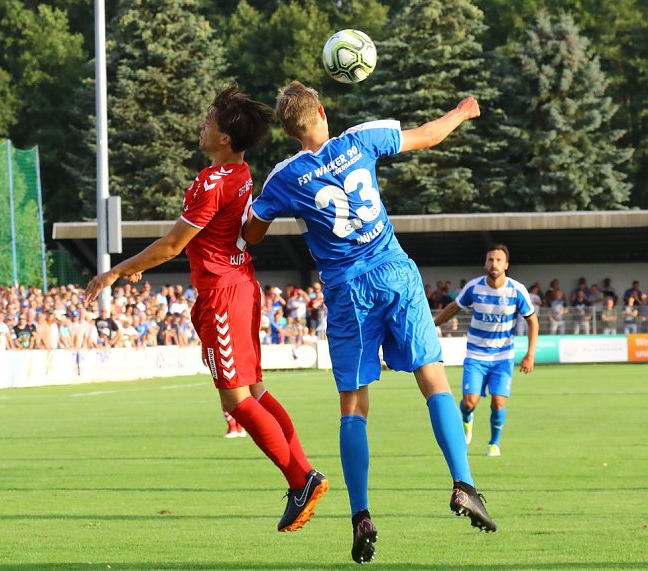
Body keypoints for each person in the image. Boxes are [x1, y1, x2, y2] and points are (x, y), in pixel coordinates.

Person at [242, 81, 495, 563]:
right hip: (395, 272)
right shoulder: (361, 138)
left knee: (353, 407)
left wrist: (275, 208)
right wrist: (462, 111)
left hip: (346, 292)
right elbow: (428, 135)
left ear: (290, 128)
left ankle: (361, 515)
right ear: (321, 110)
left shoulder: (284, 177)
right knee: (434, 380)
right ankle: (464, 484)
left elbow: (252, 233)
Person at [85, 85, 327, 533]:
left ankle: (301, 479)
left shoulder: (211, 182)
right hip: (241, 286)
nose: (203, 124)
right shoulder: (239, 174)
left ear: (226, 138)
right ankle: (305, 473)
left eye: (210, 120)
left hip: (222, 295)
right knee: (253, 392)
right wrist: (147, 262)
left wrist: (118, 270)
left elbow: (174, 244)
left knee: (235, 400)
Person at [434, 245, 539, 457]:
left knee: (498, 401)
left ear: (506, 265)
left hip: (503, 355)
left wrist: (530, 354)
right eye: (490, 259)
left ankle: (493, 443)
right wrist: (434, 324)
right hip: (476, 354)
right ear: (485, 263)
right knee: (469, 401)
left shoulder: (516, 290)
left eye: (499, 260)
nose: (494, 264)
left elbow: (532, 322)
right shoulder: (474, 288)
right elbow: (454, 308)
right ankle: (467, 418)